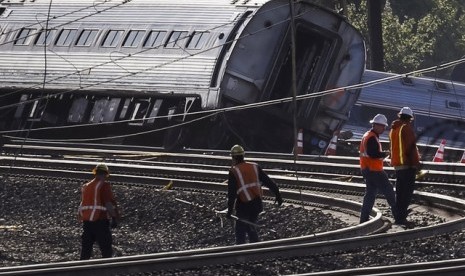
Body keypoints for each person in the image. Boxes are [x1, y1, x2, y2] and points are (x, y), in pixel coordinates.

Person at [226, 145, 283, 244]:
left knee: (240, 228)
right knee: (250, 224)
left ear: (233, 157)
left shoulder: (234, 171)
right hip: (257, 204)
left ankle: (240, 252)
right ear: (243, 156)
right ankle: (255, 247)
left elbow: (232, 194)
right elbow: (268, 181)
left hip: (244, 204)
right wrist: (277, 195)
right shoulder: (254, 166)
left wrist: (230, 211)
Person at [359, 114, 398, 224]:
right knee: (389, 191)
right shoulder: (372, 137)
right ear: (376, 125)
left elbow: (370, 153)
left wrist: (382, 154)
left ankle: (364, 219)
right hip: (374, 170)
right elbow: (373, 154)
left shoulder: (368, 135)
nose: (384, 128)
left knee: (370, 194)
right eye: (382, 126)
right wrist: (385, 153)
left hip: (367, 169)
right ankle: (398, 215)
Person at [78, 163, 120, 259]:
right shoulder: (103, 186)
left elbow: (83, 203)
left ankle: (82, 270)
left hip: (87, 222)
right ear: (106, 174)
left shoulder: (86, 186)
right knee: (106, 250)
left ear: (95, 173)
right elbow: (108, 204)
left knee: (85, 251)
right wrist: (114, 217)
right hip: (100, 221)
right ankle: (107, 270)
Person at [389, 107, 420, 225]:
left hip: (397, 165)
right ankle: (401, 218)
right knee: (406, 193)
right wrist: (416, 164)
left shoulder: (393, 129)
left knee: (400, 192)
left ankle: (398, 216)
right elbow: (411, 149)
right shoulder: (406, 128)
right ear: (409, 118)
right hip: (407, 165)